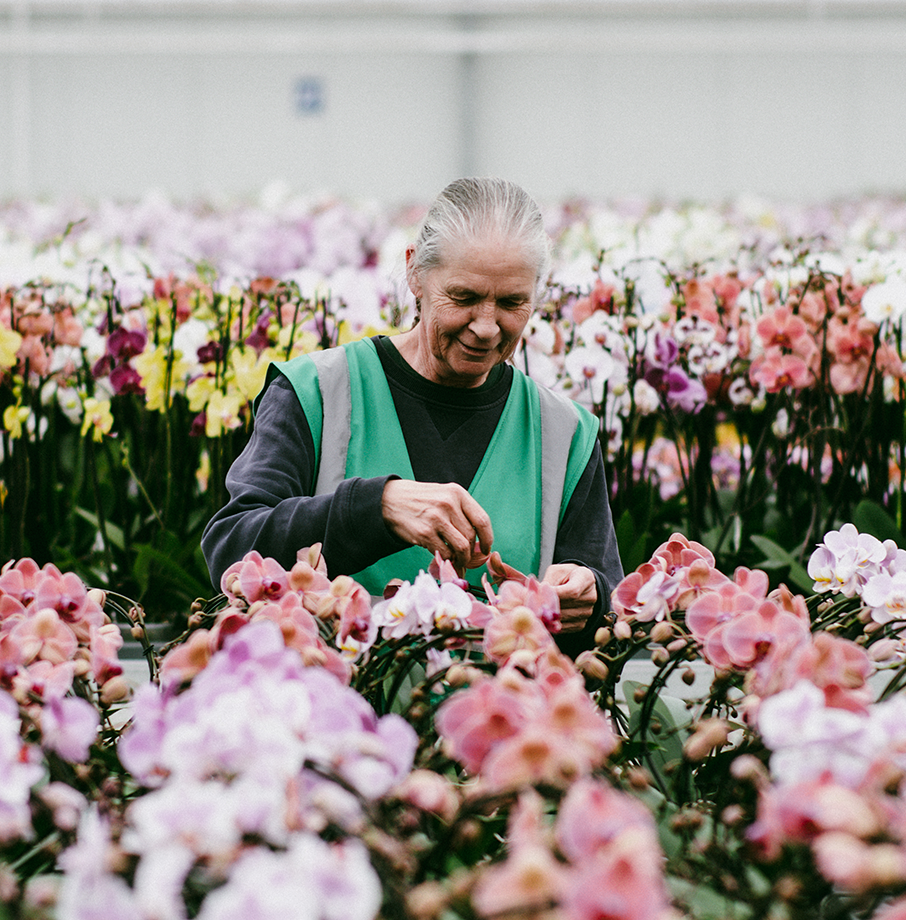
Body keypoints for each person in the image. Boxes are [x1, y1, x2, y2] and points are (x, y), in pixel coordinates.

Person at [201, 177, 623, 656]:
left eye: (511, 303)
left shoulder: (564, 432)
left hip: (502, 722)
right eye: (463, 297)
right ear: (415, 274)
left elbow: (605, 602)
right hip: (334, 716)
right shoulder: (317, 392)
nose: (486, 328)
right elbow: (231, 549)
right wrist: (373, 507)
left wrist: (590, 596)